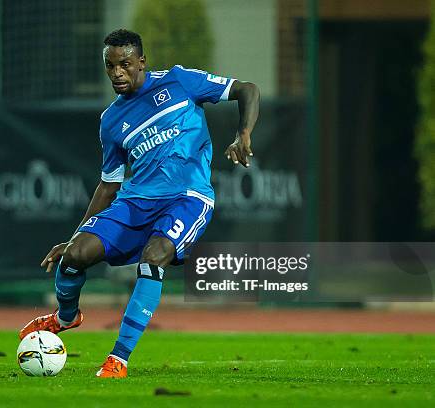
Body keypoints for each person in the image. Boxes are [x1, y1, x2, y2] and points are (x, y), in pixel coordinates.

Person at [19, 29, 260, 378]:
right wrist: (75, 236)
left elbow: (247, 90)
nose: (117, 72)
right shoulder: (111, 121)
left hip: (187, 198)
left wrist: (243, 134)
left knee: (154, 256)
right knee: (74, 257)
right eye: (111, 66)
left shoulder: (181, 82)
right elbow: (108, 186)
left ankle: (118, 358)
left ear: (142, 62)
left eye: (125, 64)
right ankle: (66, 317)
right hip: (135, 202)